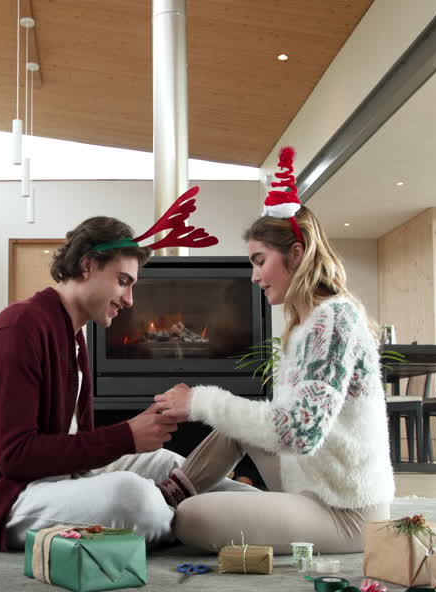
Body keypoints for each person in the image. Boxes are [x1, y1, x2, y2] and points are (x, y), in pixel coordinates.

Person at [0, 213, 253, 552]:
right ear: (88, 265)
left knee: (169, 461)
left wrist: (144, 427)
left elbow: (77, 446)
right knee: (132, 496)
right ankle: (190, 514)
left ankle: (272, 509)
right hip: (5, 498)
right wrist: (126, 436)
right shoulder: (20, 328)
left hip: (62, 476)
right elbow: (16, 457)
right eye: (123, 281)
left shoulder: (73, 337)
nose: (130, 299)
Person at [153, 148, 394, 555]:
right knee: (236, 427)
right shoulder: (307, 324)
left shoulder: (335, 319)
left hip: (347, 510)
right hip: (313, 481)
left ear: (295, 255)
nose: (253, 275)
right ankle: (166, 496)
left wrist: (199, 401)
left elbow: (299, 431)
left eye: (260, 261)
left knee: (192, 519)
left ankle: (177, 506)